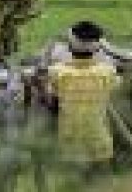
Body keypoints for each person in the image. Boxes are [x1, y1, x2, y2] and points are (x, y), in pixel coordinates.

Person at [46, 20, 122, 178]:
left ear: (69, 46)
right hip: (100, 145)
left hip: (68, 146)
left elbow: (51, 102)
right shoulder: (108, 72)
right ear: (97, 48)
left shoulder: (56, 72)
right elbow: (115, 88)